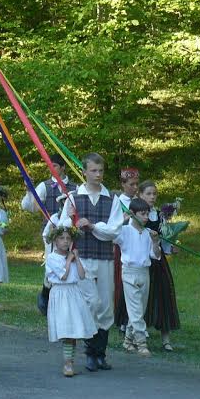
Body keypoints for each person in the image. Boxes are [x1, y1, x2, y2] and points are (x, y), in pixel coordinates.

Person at [57, 152, 125, 373]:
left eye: (101, 171)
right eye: (93, 171)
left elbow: (113, 231)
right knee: (90, 303)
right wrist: (74, 222)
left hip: (104, 258)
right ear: (84, 172)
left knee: (105, 306)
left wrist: (94, 226)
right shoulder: (73, 198)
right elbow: (64, 228)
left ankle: (99, 354)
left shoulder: (111, 199)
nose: (98, 175)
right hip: (82, 258)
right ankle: (89, 352)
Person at [21, 154, 75, 314]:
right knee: (53, 266)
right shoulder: (45, 186)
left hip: (71, 234)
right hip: (51, 234)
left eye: (55, 166)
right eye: (50, 166)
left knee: (68, 266)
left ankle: (66, 301)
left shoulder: (75, 187)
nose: (52, 169)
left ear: (63, 167)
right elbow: (29, 206)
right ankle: (46, 297)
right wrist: (29, 190)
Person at [44, 224, 96, 377]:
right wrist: (69, 260)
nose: (65, 242)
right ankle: (67, 364)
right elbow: (63, 275)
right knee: (67, 331)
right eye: (62, 238)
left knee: (73, 331)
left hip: (73, 293)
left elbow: (81, 275)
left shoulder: (73, 257)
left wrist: (77, 258)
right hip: (60, 294)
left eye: (68, 238)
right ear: (55, 241)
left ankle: (70, 362)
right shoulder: (52, 258)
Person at [114, 197, 161, 356]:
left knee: (139, 310)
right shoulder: (125, 230)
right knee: (135, 310)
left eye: (147, 213)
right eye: (142, 214)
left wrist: (155, 242)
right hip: (129, 272)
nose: (146, 217)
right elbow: (111, 234)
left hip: (144, 272)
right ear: (132, 214)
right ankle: (142, 343)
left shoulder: (149, 233)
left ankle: (128, 341)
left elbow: (155, 256)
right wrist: (122, 220)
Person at [138, 180, 181, 351]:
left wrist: (172, 248)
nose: (152, 197)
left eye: (154, 194)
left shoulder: (160, 216)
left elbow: (164, 242)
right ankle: (138, 335)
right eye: (148, 193)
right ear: (140, 195)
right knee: (141, 298)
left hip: (158, 262)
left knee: (163, 296)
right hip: (142, 261)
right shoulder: (137, 216)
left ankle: (166, 339)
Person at [114, 166, 140, 336]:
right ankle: (122, 317)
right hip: (122, 245)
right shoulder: (118, 202)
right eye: (131, 184)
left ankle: (135, 318)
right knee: (121, 281)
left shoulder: (139, 201)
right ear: (123, 184)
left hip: (137, 245)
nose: (135, 187)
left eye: (137, 184)